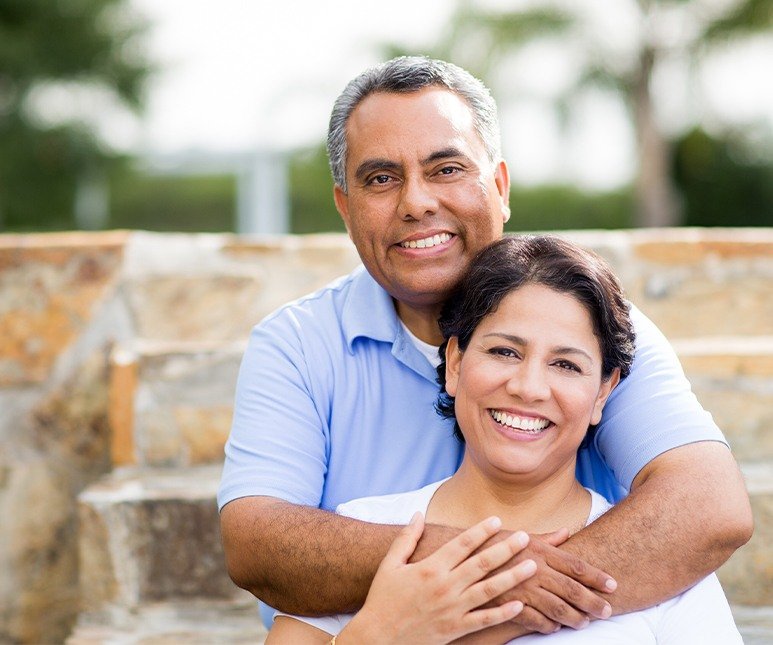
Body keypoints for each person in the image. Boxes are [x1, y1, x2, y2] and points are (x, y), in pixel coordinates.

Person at [218, 56, 752, 638]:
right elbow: (257, 543)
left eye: (446, 168)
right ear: (345, 207)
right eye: (380, 178)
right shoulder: (297, 345)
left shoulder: (593, 326)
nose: (416, 202)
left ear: (499, 187)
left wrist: (482, 608)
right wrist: (487, 579)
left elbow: (708, 506)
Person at [265, 235, 743, 644]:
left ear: (603, 393)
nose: (528, 387)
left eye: (565, 364)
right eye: (504, 351)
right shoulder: (364, 531)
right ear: (454, 363)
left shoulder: (664, 563)